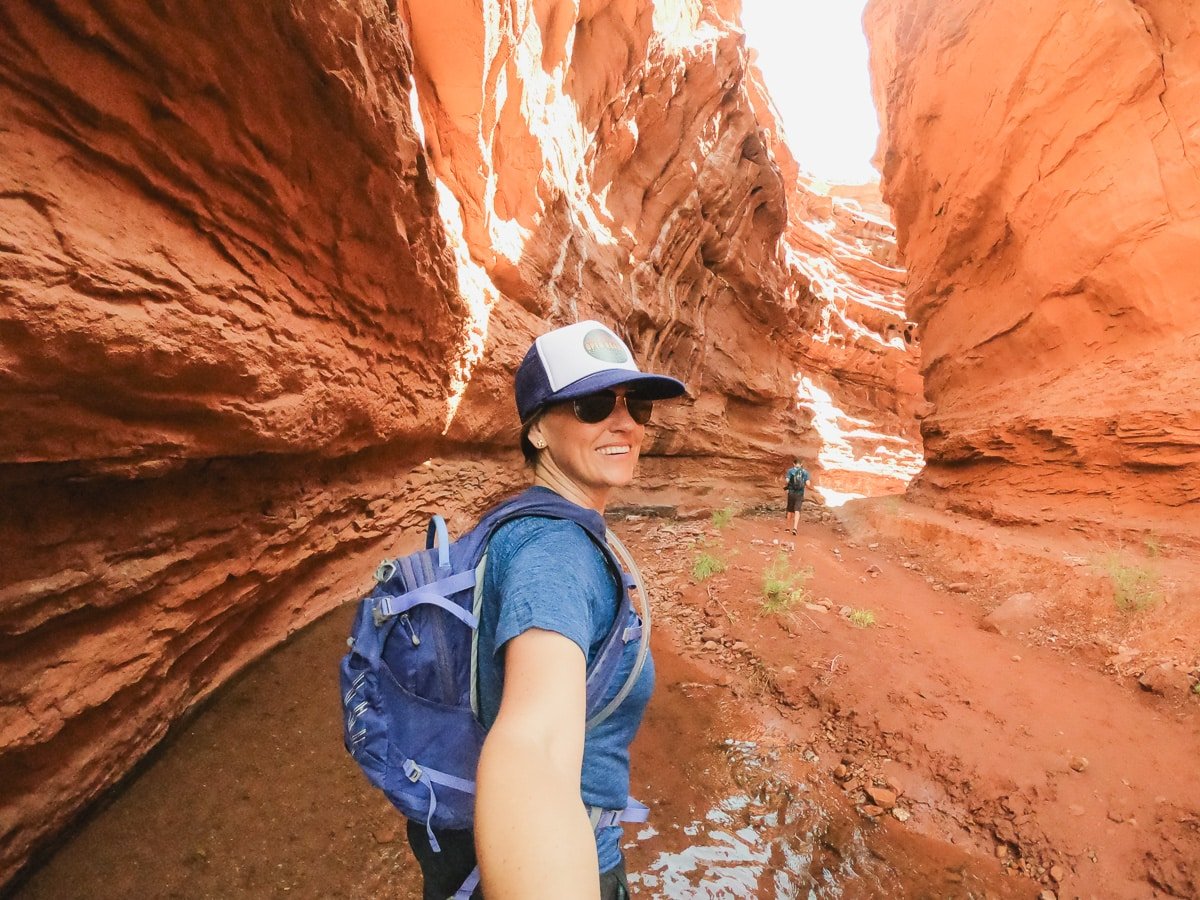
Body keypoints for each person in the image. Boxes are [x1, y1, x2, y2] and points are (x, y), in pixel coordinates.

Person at [405, 320, 685, 899]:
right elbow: (534, 743)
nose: (626, 422)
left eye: (637, 406)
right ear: (536, 431)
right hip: (567, 861)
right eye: (592, 404)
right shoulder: (555, 553)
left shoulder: (520, 525)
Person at [784, 458, 810, 534]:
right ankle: (795, 528)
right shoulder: (805, 472)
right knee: (797, 511)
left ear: (793, 463)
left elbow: (787, 481)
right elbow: (808, 483)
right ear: (801, 464)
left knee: (789, 511)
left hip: (791, 493)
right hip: (800, 493)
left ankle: (787, 528)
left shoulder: (790, 471)